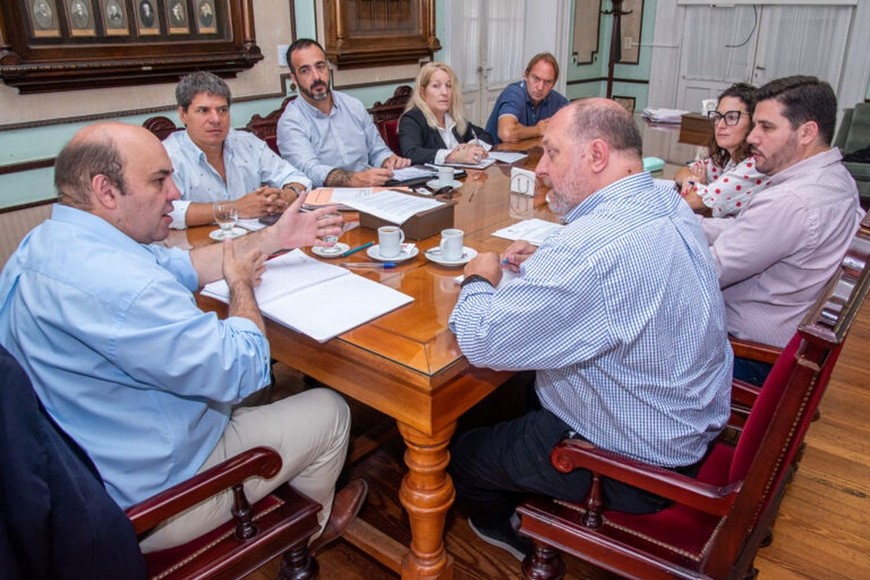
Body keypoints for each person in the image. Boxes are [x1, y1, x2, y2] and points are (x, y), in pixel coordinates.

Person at [0, 122, 366, 552]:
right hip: (152, 500)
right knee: (331, 409)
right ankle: (306, 533)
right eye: (159, 180)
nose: (174, 193)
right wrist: (241, 286)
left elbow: (184, 265)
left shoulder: (44, 244)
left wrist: (274, 238)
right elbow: (245, 367)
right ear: (106, 190)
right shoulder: (125, 289)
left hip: (89, 461)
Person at [448, 99, 732, 561]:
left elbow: (482, 341)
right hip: (682, 421)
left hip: (631, 462)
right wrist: (548, 263)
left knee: (461, 456)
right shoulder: (665, 201)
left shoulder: (590, 250)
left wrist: (480, 277)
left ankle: (507, 527)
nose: (541, 168)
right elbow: (616, 281)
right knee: (511, 396)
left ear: (597, 155)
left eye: (552, 152)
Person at [702, 75, 864, 385]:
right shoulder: (839, 180)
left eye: (767, 127)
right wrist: (690, 225)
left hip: (749, 354)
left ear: (807, 132)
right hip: (788, 343)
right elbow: (746, 232)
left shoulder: (791, 202)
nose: (752, 138)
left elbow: (707, 271)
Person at [163, 72, 311, 229]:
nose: (216, 119)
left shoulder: (247, 143)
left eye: (222, 110)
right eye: (203, 110)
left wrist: (283, 198)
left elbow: (298, 178)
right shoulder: (167, 155)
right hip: (200, 247)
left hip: (257, 242)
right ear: (183, 114)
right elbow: (166, 211)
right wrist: (236, 208)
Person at [277, 38, 410, 188]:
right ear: (294, 79)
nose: (316, 77)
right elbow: (310, 170)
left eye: (320, 66)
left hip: (371, 192)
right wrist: (355, 179)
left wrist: (388, 160)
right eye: (305, 70)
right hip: (326, 202)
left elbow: (377, 150)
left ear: (328, 68)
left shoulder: (353, 105)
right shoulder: (290, 122)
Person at [675, 83, 770, 217]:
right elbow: (682, 172)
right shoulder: (731, 158)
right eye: (718, 116)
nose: (720, 125)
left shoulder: (754, 166)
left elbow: (690, 202)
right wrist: (694, 180)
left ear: (753, 122)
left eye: (731, 117)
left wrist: (696, 186)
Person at [398, 62, 493, 166]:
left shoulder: (452, 119)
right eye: (436, 86)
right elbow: (411, 153)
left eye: (449, 86)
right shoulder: (412, 119)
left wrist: (471, 145)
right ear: (422, 92)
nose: (444, 92)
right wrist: (452, 156)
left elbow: (485, 136)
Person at [484, 52, 569, 145]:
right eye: (536, 78)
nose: (540, 87)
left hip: (530, 156)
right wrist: (539, 130)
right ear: (525, 75)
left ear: (553, 84)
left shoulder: (558, 101)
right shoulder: (514, 93)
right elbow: (506, 133)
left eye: (547, 82)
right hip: (495, 156)